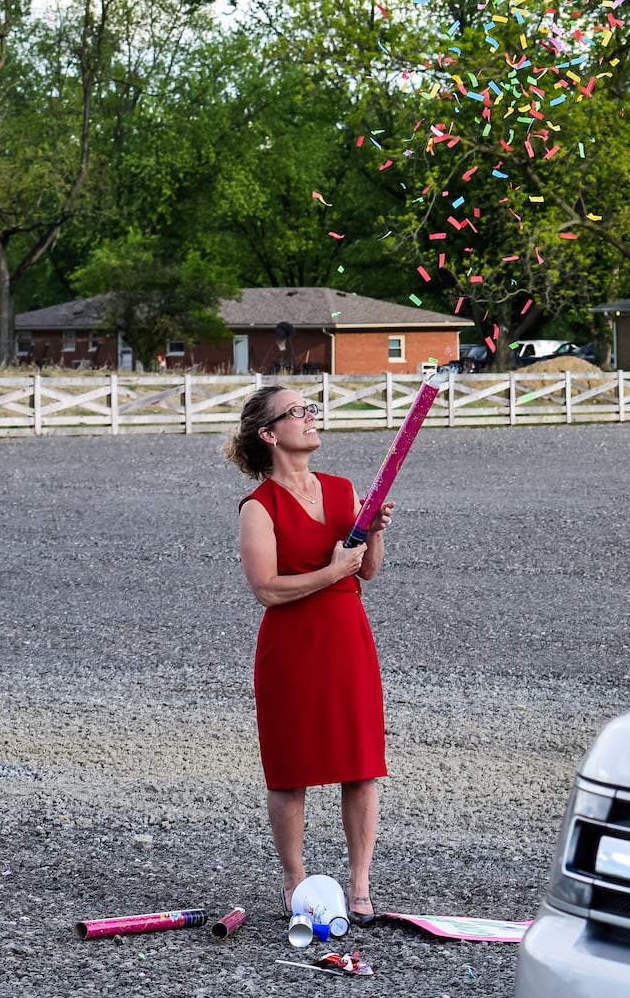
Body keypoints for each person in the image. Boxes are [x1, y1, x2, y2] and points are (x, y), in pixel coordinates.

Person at [224, 385, 396, 924]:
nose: (311, 416)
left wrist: (376, 533)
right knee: (289, 767)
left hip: (347, 634)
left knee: (360, 763)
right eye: (298, 411)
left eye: (311, 408)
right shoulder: (259, 506)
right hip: (292, 645)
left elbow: (366, 571)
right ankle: (294, 880)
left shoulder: (346, 491)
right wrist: (330, 571)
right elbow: (268, 589)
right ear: (270, 434)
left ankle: (361, 882)